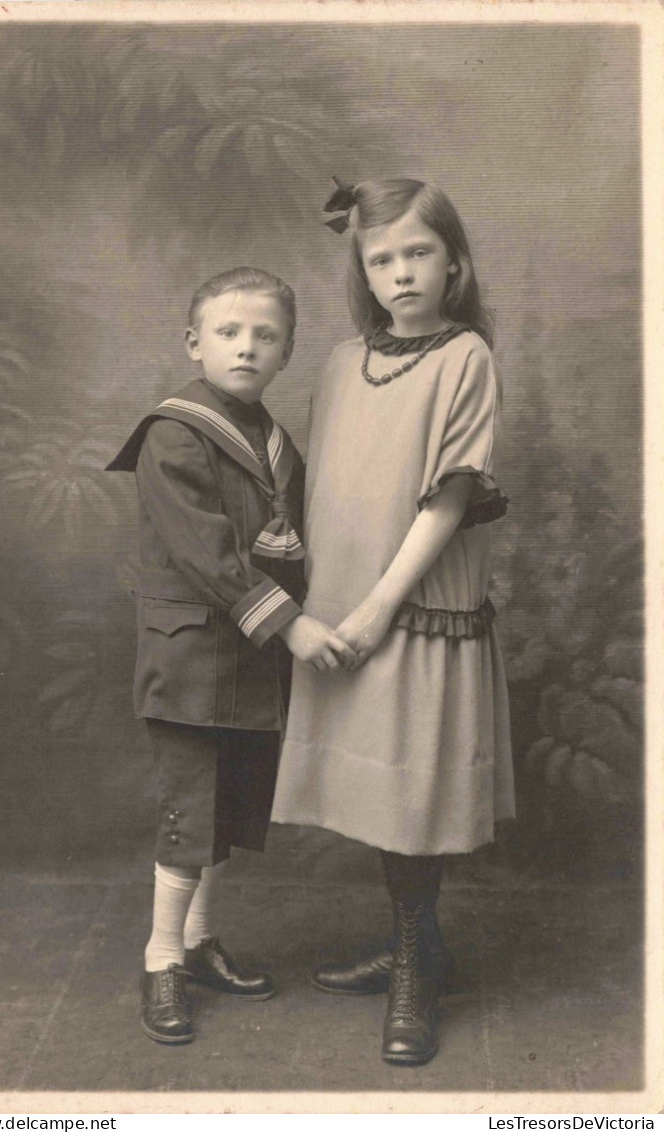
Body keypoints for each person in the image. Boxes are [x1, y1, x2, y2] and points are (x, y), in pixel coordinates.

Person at [271, 179, 515, 1066]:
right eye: (382, 259)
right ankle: (416, 942)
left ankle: (418, 959)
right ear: (362, 272)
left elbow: (450, 495)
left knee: (411, 792)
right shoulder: (342, 362)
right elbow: (328, 484)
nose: (401, 272)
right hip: (339, 608)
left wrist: (380, 606)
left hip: (411, 608)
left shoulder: (465, 358)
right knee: (377, 793)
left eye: (417, 253)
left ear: (452, 262)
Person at [107, 266, 354, 1046]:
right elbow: (206, 555)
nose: (246, 347)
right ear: (194, 342)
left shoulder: (272, 439)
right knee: (189, 814)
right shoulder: (175, 432)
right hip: (191, 662)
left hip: (251, 662)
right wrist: (294, 626)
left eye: (265, 335)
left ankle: (198, 943)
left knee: (226, 810)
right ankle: (159, 962)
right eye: (228, 331)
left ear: (285, 352)